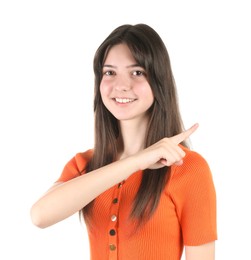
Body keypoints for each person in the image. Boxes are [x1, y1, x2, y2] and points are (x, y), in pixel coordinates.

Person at [30, 23, 217, 260]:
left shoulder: (188, 168)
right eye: (110, 72)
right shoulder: (84, 163)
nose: (121, 85)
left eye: (137, 72)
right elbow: (39, 215)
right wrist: (137, 160)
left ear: (159, 81)